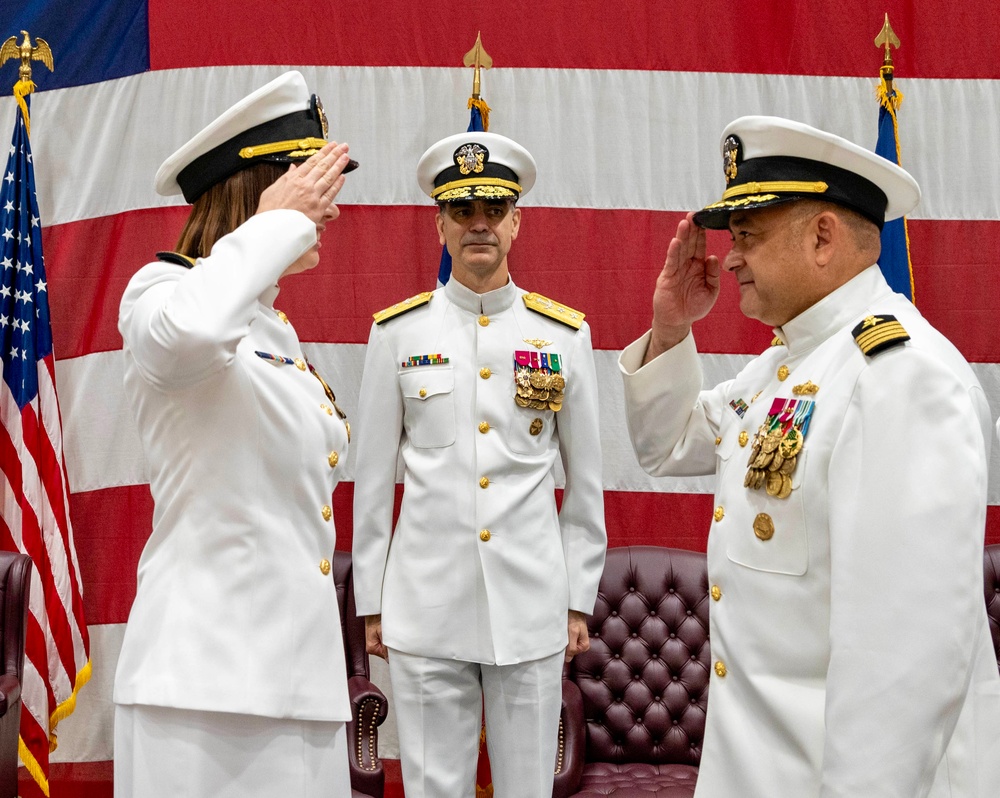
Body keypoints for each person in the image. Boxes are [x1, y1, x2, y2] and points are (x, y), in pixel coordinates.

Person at [618, 114, 1000, 797]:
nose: (729, 257)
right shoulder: (789, 366)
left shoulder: (900, 377)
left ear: (823, 237)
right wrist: (670, 328)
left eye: (747, 237)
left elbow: (902, 668)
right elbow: (667, 444)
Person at [113, 71, 357, 797]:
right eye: (311, 187)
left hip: (298, 685)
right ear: (256, 192)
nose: (329, 212)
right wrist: (276, 227)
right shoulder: (160, 294)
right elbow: (188, 333)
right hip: (204, 693)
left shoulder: (269, 327)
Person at [352, 131, 607, 798]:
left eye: (494, 209)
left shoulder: (562, 337)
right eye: (463, 211)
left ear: (516, 222)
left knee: (527, 788)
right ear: (439, 223)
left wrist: (577, 598)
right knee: (436, 789)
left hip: (531, 607)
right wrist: (373, 604)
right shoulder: (398, 334)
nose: (479, 225)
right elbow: (373, 482)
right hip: (425, 609)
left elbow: (585, 488)